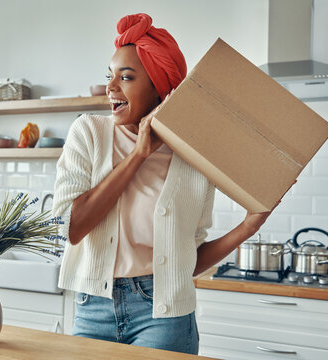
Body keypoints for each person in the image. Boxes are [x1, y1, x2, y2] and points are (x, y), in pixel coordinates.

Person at [52, 13, 272, 354]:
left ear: (159, 87)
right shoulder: (89, 133)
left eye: (126, 78)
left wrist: (246, 228)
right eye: (110, 77)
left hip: (164, 315)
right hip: (93, 307)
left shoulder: (194, 154)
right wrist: (139, 154)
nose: (111, 88)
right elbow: (71, 228)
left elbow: (189, 262)